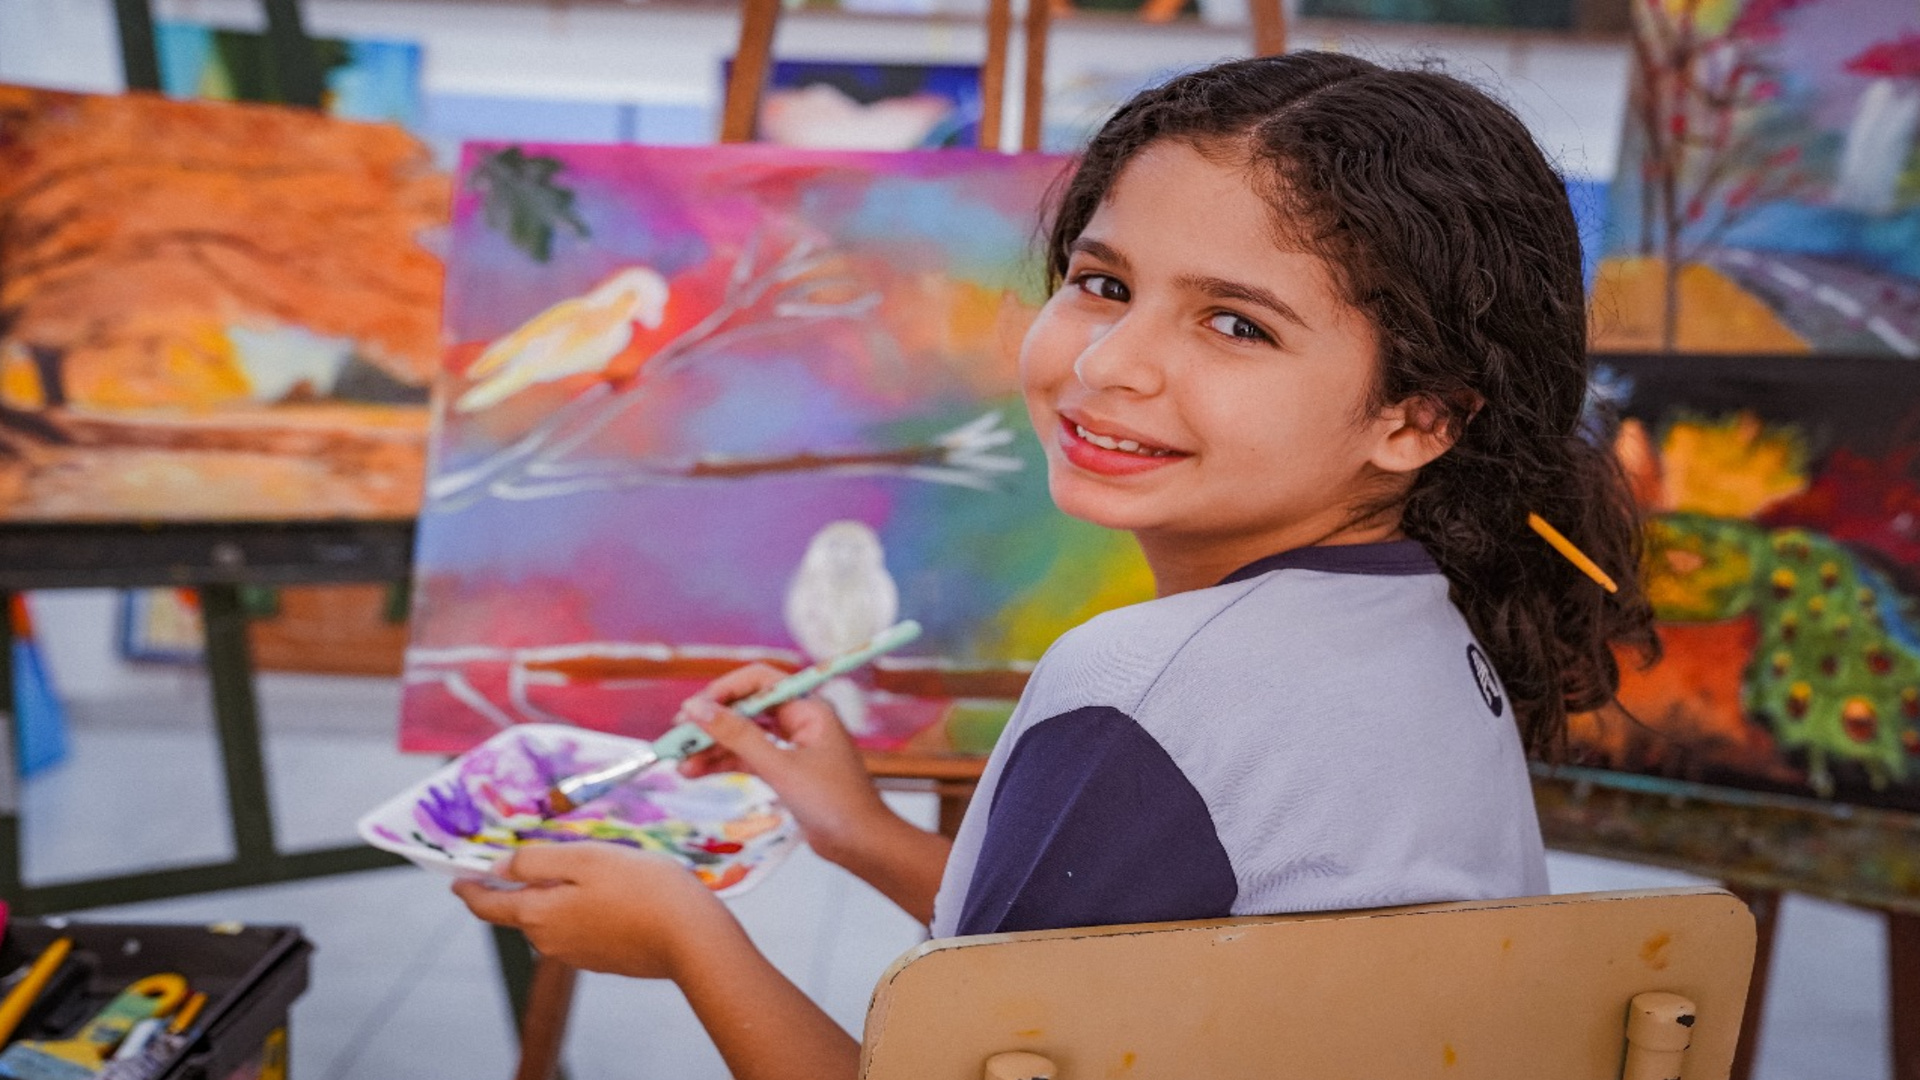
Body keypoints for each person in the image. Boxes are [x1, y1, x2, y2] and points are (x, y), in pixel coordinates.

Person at [455, 50, 1659, 1079]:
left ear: (1419, 417)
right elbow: (1127, 958)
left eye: (1235, 323)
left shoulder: (1144, 684)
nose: (1107, 364)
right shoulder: (1426, 625)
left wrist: (685, 937)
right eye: (1102, 283)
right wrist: (858, 828)